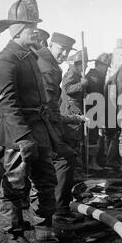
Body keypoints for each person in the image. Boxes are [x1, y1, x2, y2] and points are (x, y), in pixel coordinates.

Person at [0, 0, 59, 243]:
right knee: (14, 185)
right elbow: (6, 104)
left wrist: (52, 136)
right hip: (18, 135)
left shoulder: (29, 56)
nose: (36, 31)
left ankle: (43, 227)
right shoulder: (5, 60)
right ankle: (14, 235)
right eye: (32, 26)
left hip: (39, 131)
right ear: (18, 29)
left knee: (45, 180)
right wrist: (22, 137)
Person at [35, 32, 85, 224]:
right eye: (60, 48)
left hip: (45, 122)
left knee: (65, 157)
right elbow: (48, 106)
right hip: (39, 125)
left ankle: (59, 209)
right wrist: (68, 120)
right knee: (64, 159)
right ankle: (58, 212)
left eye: (66, 50)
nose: (63, 53)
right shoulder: (48, 65)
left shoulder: (49, 62)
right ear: (52, 45)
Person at [60, 48, 89, 168]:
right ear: (79, 64)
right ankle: (71, 167)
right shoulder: (72, 73)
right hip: (71, 109)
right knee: (71, 137)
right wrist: (81, 85)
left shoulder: (78, 74)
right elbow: (66, 89)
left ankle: (74, 166)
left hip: (76, 107)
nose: (86, 66)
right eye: (85, 63)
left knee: (76, 138)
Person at [84, 53, 113, 170]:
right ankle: (92, 162)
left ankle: (95, 161)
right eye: (106, 67)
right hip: (93, 112)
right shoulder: (95, 78)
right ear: (100, 65)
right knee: (92, 137)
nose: (106, 70)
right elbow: (96, 98)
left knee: (95, 137)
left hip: (93, 111)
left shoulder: (96, 76)